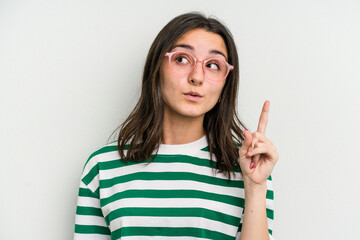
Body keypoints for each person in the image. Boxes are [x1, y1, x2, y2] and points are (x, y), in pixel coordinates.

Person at [74, 12, 279, 240]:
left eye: (213, 65)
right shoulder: (103, 167)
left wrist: (255, 186)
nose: (197, 77)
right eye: (182, 59)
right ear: (157, 68)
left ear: (225, 83)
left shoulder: (249, 168)